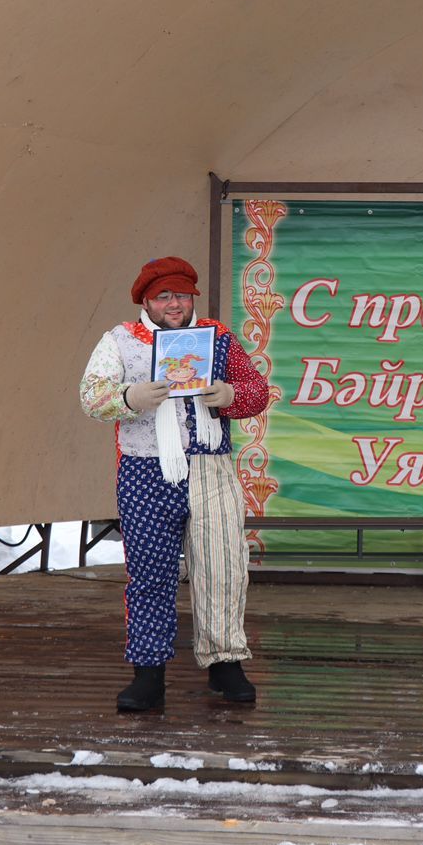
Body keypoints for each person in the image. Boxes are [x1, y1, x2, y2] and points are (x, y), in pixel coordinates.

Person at [79, 256, 272, 711]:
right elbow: (91, 397)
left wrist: (229, 396)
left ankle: (225, 664)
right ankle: (149, 674)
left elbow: (256, 391)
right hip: (147, 468)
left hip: (210, 465)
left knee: (222, 567)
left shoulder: (217, 337)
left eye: (181, 295)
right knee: (149, 572)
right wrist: (130, 396)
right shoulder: (120, 341)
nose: (174, 303)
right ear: (146, 299)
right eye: (164, 295)